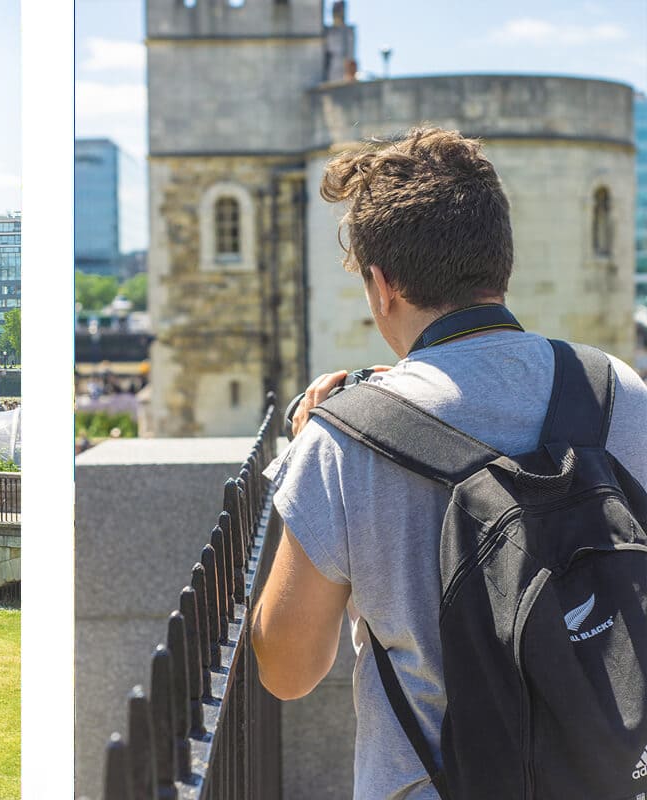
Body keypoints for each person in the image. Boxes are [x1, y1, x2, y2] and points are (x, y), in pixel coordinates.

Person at [249, 127, 647, 799]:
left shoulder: (345, 440)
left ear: (382, 285)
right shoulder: (616, 389)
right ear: (501, 263)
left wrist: (314, 454)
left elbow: (288, 670)